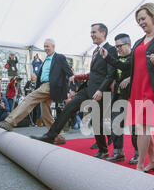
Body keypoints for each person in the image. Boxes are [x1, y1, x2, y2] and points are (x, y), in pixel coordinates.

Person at [102, 3, 154, 172]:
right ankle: (153, 161)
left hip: (153, 87)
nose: (141, 22)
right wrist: (108, 58)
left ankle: (140, 166)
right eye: (138, 20)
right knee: (143, 127)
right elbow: (127, 64)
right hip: (136, 88)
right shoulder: (138, 42)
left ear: (153, 16)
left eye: (143, 18)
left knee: (143, 126)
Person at [30, 24, 118, 159]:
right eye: (91, 32)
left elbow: (111, 74)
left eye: (94, 32)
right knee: (69, 107)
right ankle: (51, 135)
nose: (91, 34)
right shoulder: (95, 51)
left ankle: (103, 150)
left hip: (100, 91)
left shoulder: (110, 50)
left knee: (96, 121)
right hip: (88, 88)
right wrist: (77, 77)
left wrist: (101, 90)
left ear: (103, 33)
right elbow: (94, 73)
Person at [0, 39, 74, 145]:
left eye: (48, 46)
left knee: (29, 99)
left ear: (53, 46)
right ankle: (58, 137)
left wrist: (72, 89)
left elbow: (70, 73)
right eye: (44, 46)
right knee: (45, 114)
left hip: (51, 85)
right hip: (43, 86)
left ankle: (10, 122)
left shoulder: (59, 57)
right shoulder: (45, 60)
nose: (45, 48)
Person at [100, 33, 139, 163]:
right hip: (117, 96)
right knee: (115, 124)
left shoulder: (136, 56)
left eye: (119, 46)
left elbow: (138, 71)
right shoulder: (117, 58)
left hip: (132, 96)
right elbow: (112, 73)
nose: (117, 49)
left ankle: (139, 153)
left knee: (135, 127)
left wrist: (130, 78)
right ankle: (118, 153)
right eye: (116, 47)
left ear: (128, 44)